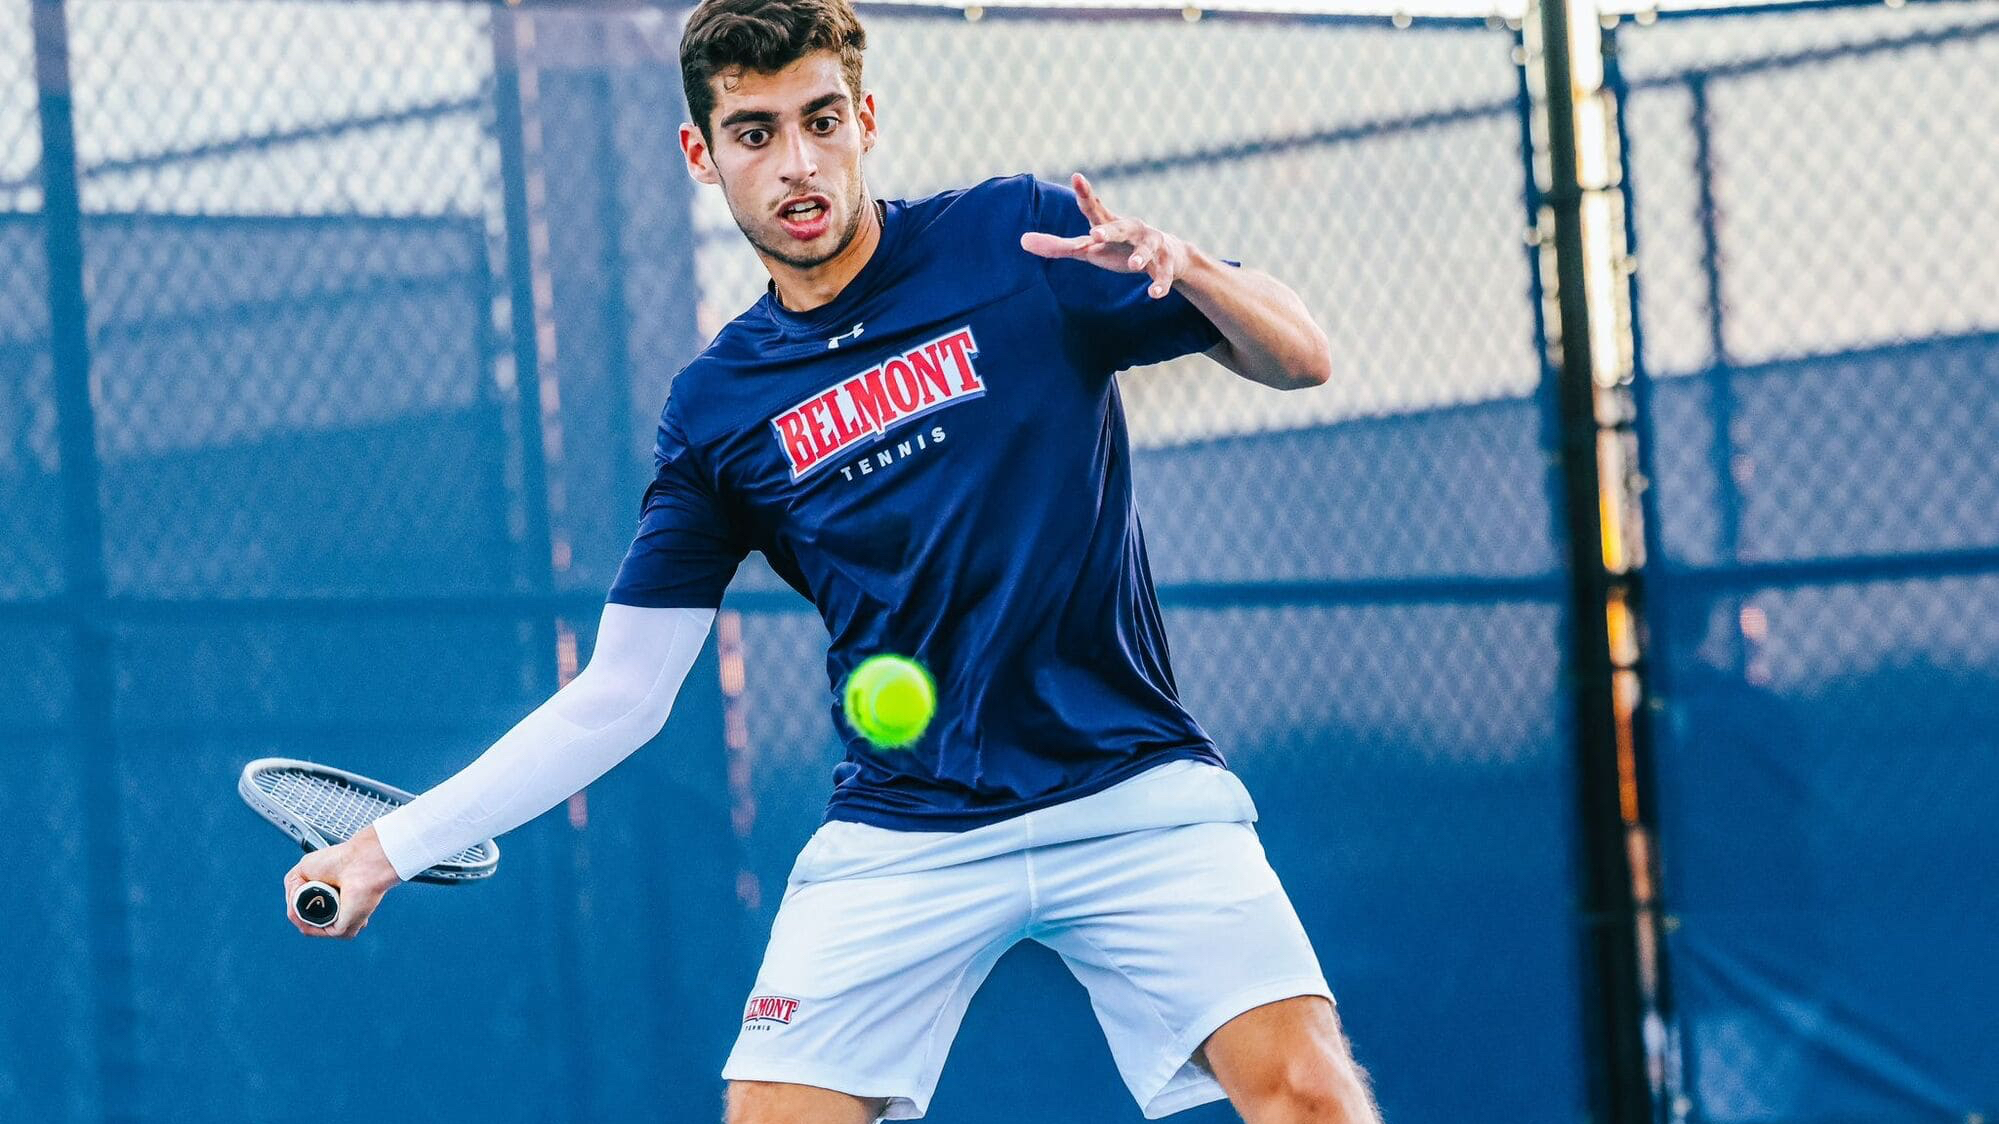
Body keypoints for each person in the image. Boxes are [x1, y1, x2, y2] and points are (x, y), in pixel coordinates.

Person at [283, 1, 1380, 1121]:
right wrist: (388, 848)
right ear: (701, 155)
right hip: (907, 825)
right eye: (756, 134)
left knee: (1308, 1097)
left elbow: (1301, 355)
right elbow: (619, 693)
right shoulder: (717, 408)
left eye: (820, 121)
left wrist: (1190, 268)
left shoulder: (1021, 241)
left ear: (865, 118)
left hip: (1132, 785)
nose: (797, 165)